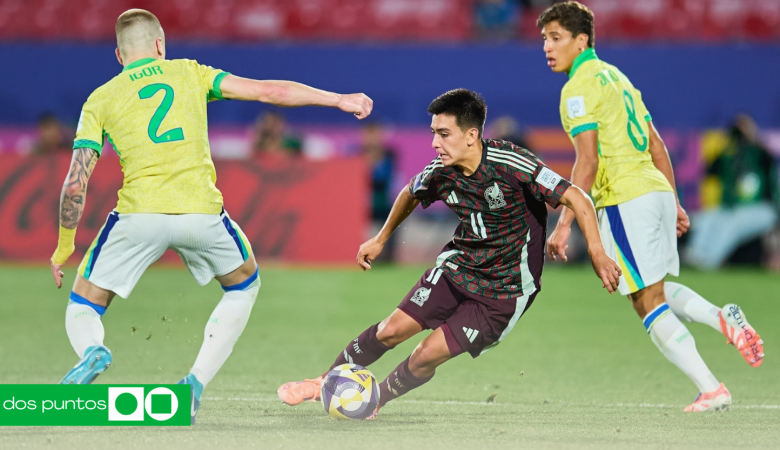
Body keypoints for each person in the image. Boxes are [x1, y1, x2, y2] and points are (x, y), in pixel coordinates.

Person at [49, 9, 372, 424]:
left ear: (118, 54)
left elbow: (75, 183)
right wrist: (338, 99)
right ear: (160, 46)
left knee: (84, 304)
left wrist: (63, 247)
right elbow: (269, 92)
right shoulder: (190, 73)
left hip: (139, 214)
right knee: (244, 285)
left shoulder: (101, 98)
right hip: (202, 213)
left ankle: (94, 351)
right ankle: (193, 387)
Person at [277, 88, 622, 418]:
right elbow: (410, 192)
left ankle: (373, 400)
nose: (434, 143)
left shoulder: (512, 164)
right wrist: (381, 239)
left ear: (471, 135)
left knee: (426, 355)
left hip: (503, 292)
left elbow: (576, 195)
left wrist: (596, 250)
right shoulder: (441, 171)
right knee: (389, 330)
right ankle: (322, 381)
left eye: (443, 133)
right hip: (458, 268)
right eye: (433, 133)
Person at [537, 1, 764, 412]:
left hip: (626, 197)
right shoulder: (619, 78)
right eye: (544, 40)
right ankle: (721, 319)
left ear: (581, 39)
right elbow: (657, 145)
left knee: (645, 301)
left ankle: (712, 388)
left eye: (556, 38)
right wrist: (674, 202)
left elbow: (586, 161)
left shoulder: (576, 89)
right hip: (654, 189)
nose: (547, 48)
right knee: (651, 287)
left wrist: (565, 220)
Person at [685, 114, 779, 269]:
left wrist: (751, 135)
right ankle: (695, 255)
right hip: (734, 208)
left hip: (762, 209)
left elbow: (768, 162)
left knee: (731, 224)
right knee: (708, 218)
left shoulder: (762, 155)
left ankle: (710, 260)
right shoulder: (729, 156)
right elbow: (710, 169)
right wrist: (727, 143)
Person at [361, 122, 397, 261]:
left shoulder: (389, 155)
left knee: (396, 217)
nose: (371, 138)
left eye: (375, 134)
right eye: (368, 134)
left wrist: (373, 165)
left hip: (382, 203)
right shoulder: (357, 154)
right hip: (361, 205)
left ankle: (388, 257)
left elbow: (383, 180)